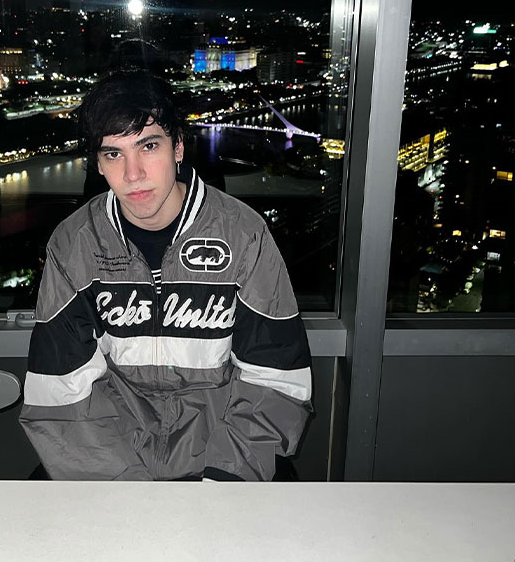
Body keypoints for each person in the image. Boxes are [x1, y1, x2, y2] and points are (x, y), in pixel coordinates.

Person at [20, 69, 312, 481]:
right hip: (113, 459)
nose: (133, 173)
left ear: (178, 148)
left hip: (221, 458)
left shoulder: (244, 235)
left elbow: (276, 381)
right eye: (113, 154)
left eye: (149, 146)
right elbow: (61, 393)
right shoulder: (74, 246)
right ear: (99, 165)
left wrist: (220, 481)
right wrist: (125, 488)